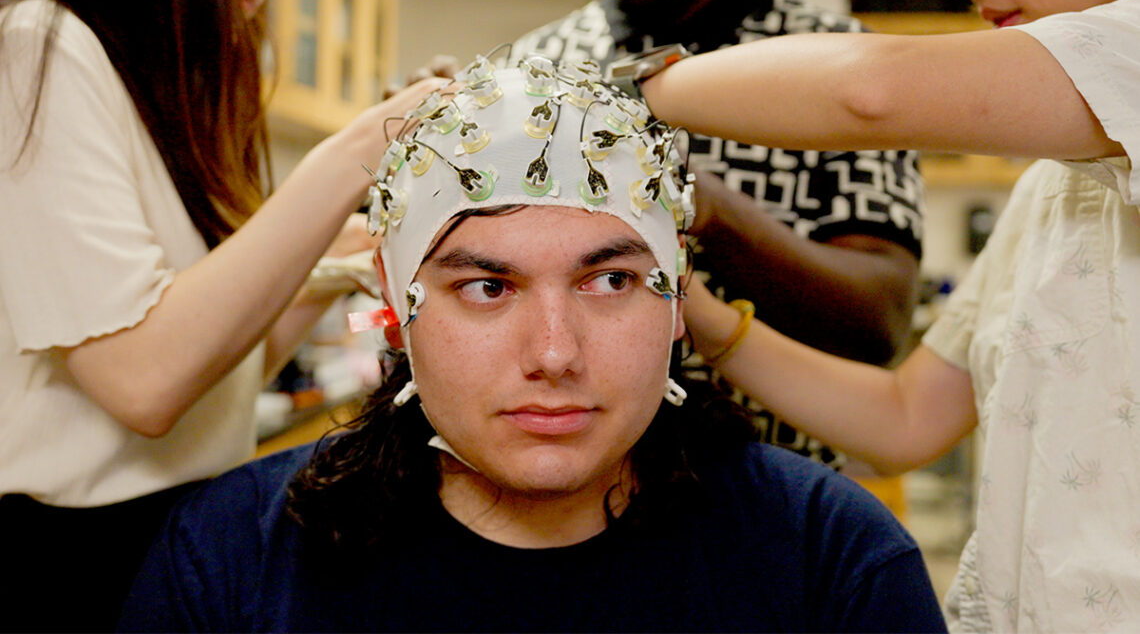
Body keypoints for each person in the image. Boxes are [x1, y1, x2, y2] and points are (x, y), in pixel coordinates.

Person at [118, 58, 947, 633]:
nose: (554, 354)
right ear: (397, 308)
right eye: (488, 287)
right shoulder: (235, 562)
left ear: (679, 300)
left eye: (609, 281)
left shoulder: (831, 564)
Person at [639, 0, 1140, 629]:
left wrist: (583, 98)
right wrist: (698, 315)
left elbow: (867, 89)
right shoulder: (1054, 190)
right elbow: (907, 418)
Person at [0, 0, 440, 630]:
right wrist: (358, 150)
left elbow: (223, 367)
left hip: (181, 526)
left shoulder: (174, 92)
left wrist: (351, 252)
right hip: (69, 559)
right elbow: (144, 382)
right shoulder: (40, 44)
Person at [512, 0, 923, 470]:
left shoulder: (840, 65)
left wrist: (708, 209)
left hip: (771, 500)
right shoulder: (532, 77)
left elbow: (878, 325)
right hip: (567, 509)